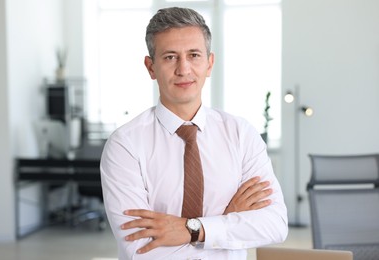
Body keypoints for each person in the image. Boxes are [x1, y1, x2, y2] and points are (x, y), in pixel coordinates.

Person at [100, 7, 288, 260]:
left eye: (194, 55)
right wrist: (225, 220)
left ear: (209, 63)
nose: (184, 69)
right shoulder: (125, 145)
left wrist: (193, 229)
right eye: (169, 57)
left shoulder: (242, 134)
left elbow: (274, 224)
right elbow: (141, 250)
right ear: (151, 67)